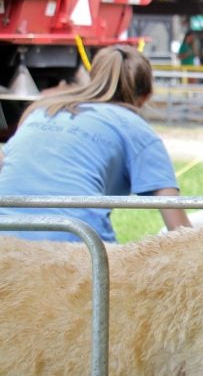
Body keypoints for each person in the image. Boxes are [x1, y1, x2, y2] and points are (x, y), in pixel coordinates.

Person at [0, 45, 191, 243]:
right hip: (76, 246)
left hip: (6, 242)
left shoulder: (44, 111)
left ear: (93, 79)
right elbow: (180, 231)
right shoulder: (137, 130)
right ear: (146, 96)